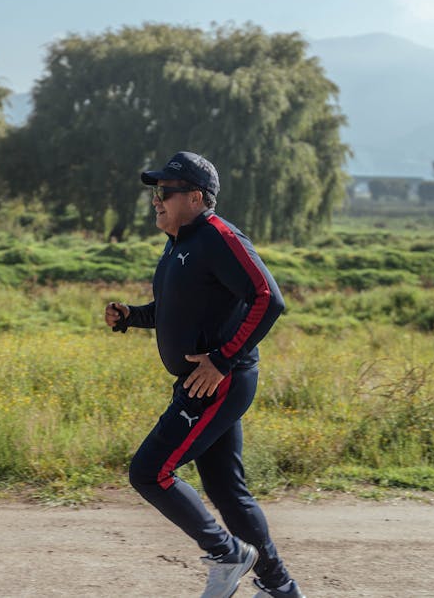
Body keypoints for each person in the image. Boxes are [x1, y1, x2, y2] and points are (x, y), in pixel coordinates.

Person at [104, 151, 304, 598]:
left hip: (216, 382)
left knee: (149, 472)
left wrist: (222, 359)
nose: (156, 200)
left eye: (165, 192)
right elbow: (178, 311)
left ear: (196, 197)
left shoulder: (218, 236)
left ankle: (227, 553)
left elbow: (268, 299)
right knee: (228, 491)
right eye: (155, 192)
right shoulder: (180, 243)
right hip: (208, 379)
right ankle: (281, 588)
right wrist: (131, 317)